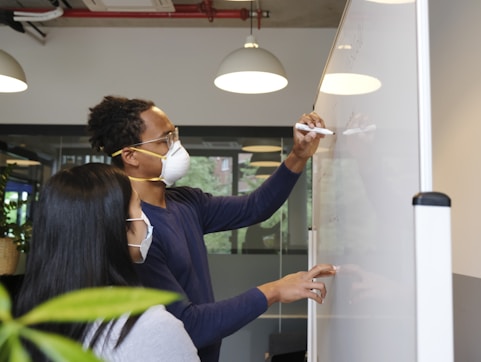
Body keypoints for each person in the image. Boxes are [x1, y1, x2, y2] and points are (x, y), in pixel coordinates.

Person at [87, 95, 337, 362]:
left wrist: (298, 155)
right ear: (131, 156)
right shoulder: (135, 234)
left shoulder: (185, 202)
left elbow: (254, 208)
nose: (176, 147)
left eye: (175, 135)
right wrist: (274, 290)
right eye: (164, 141)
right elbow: (188, 326)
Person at [14, 163, 200, 362]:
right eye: (139, 206)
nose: (145, 220)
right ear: (116, 225)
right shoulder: (151, 328)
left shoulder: (21, 322)